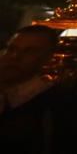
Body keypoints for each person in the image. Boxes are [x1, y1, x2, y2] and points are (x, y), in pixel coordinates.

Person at [0, 25, 63, 153]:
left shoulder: (49, 105)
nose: (15, 57)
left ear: (48, 58)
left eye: (29, 52)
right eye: (11, 49)